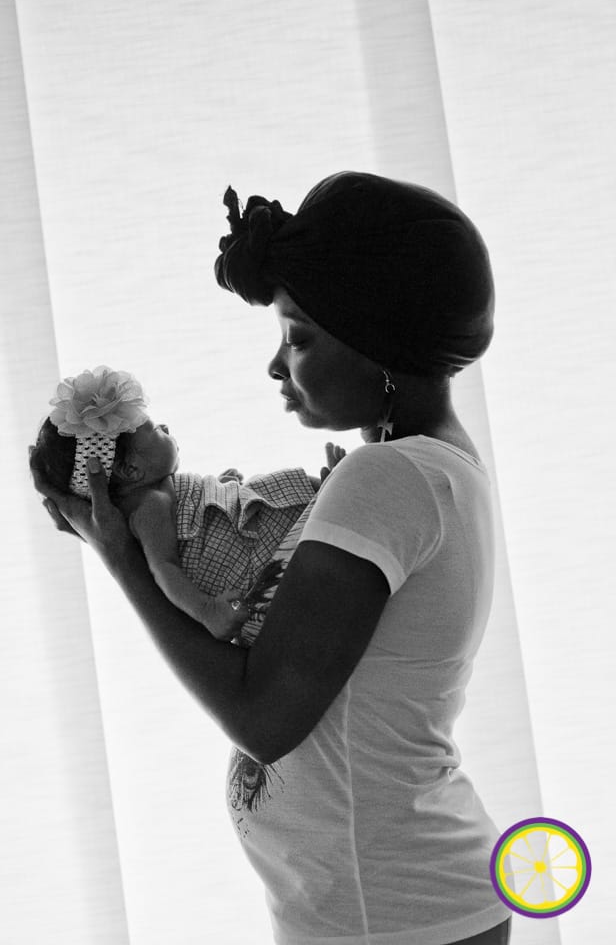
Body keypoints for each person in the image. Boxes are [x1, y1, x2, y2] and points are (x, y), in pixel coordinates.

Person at [30, 171, 512, 945]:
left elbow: (265, 718)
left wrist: (122, 559)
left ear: (377, 343)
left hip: (388, 909)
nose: (276, 365)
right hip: (390, 900)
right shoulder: (429, 467)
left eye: (300, 337)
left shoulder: (388, 476)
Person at [30, 364, 342, 642]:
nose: (164, 427)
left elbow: (197, 522)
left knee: (267, 493)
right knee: (276, 491)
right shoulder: (150, 505)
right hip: (251, 559)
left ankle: (331, 495)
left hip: (247, 539)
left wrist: (220, 486)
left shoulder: (161, 493)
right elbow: (164, 567)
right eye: (153, 430)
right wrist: (207, 611)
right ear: (130, 470)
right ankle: (333, 494)